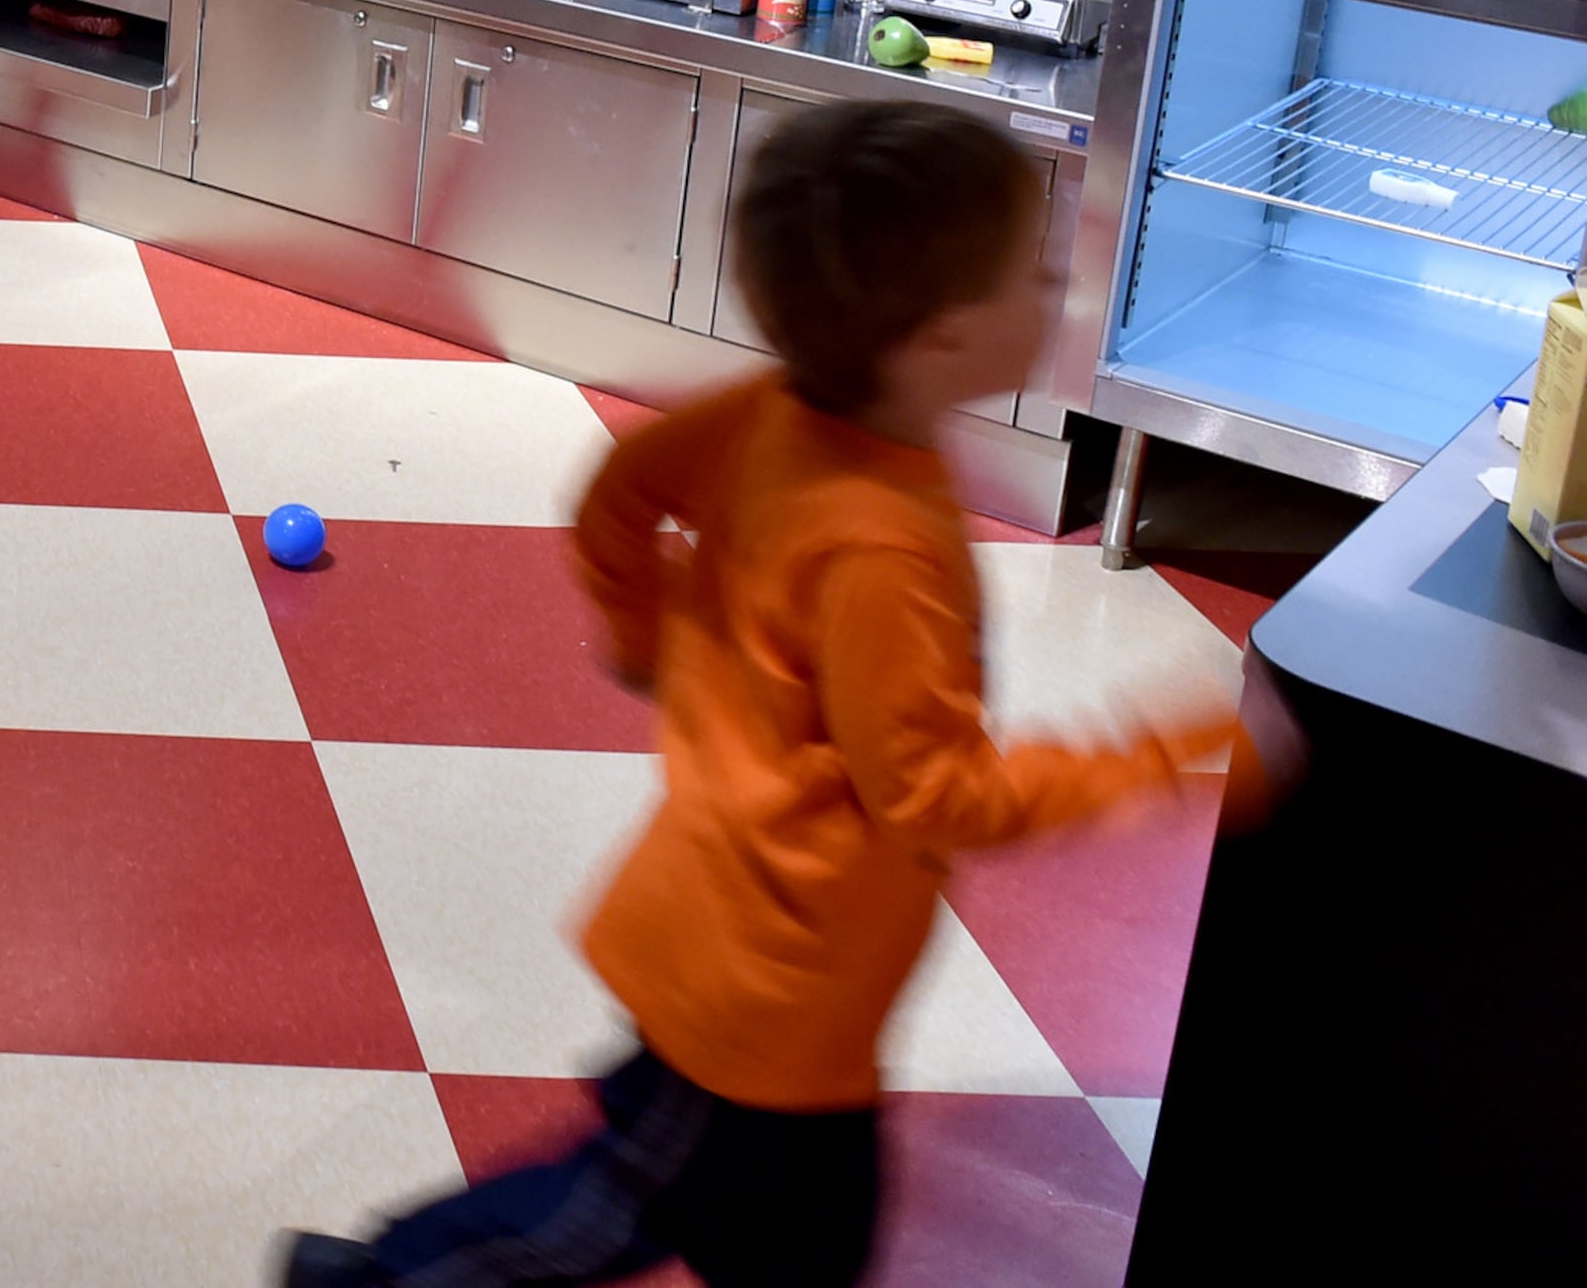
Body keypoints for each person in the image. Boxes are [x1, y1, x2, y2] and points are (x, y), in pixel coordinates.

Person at [273, 102, 1240, 1288]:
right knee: (606, 1213)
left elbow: (622, 495)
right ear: (938, 337)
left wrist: (652, 635)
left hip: (762, 959)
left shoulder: (779, 414)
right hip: (764, 998)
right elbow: (936, 792)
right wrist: (1179, 752)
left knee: (667, 1205)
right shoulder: (882, 547)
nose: (1061, 288)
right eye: (1033, 270)